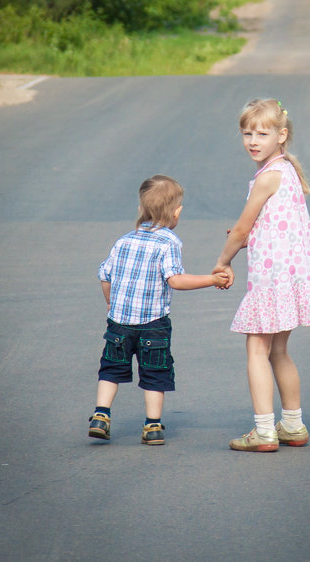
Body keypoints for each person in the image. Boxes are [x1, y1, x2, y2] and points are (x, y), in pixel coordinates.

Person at [213, 98, 310, 452]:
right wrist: (255, 237)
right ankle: (293, 426)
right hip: (294, 275)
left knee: (256, 347)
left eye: (262, 133)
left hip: (272, 280)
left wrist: (224, 261)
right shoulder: (288, 171)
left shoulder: (267, 177)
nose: (253, 140)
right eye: (247, 133)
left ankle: (265, 430)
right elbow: (278, 227)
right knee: (278, 350)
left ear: (281, 135)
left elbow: (241, 228)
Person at [89, 174, 229, 446]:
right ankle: (152, 426)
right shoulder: (169, 243)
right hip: (153, 323)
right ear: (177, 212)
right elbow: (175, 280)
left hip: (118, 322)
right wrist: (211, 280)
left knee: (111, 369)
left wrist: (111, 302)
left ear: (142, 209)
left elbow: (105, 276)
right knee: (154, 373)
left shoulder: (123, 241)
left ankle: (100, 415)